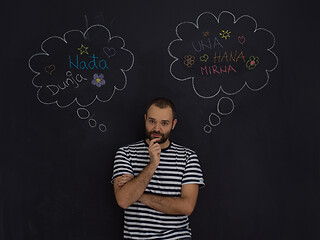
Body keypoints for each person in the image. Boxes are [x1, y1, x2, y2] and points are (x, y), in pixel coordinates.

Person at [111, 97, 205, 240]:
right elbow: (124, 200)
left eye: (164, 123)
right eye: (152, 121)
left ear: (173, 124)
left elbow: (186, 207)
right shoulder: (126, 153)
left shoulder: (188, 157)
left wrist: (137, 194)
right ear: (145, 119)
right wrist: (152, 165)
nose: (156, 129)